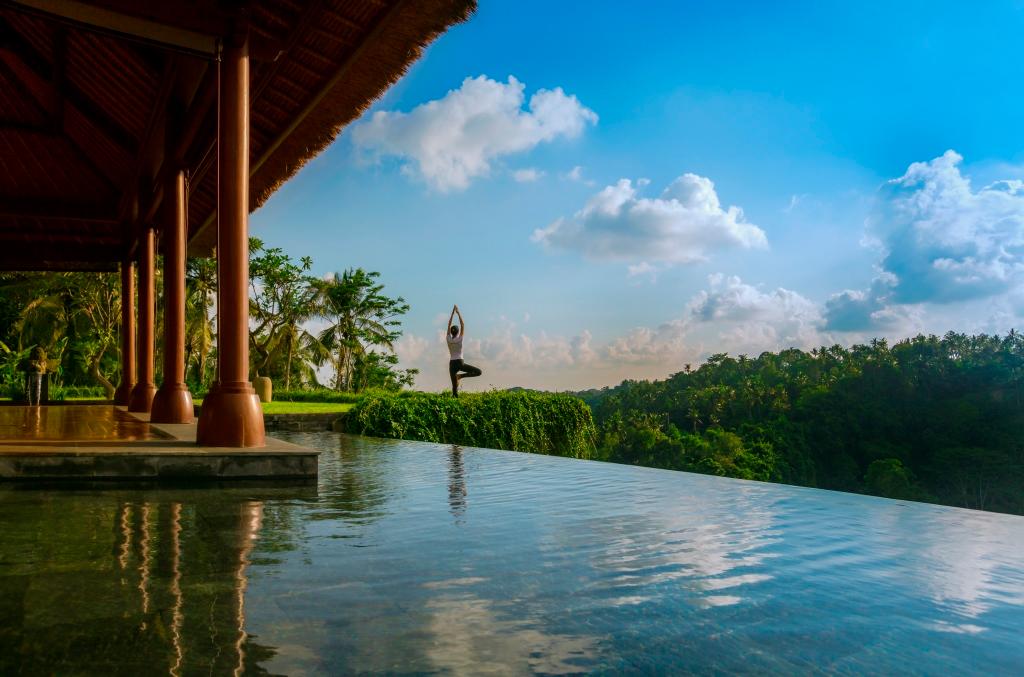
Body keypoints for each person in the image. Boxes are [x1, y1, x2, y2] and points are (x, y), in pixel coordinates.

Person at [447, 304, 481, 397]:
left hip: (452, 364)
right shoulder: (460, 339)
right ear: (458, 332)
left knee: (454, 389)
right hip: (460, 362)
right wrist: (458, 313)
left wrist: (452, 314)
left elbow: (448, 324)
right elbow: (463, 324)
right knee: (478, 372)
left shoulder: (448, 339)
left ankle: (455, 398)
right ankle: (461, 376)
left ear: (451, 332)